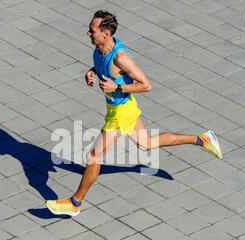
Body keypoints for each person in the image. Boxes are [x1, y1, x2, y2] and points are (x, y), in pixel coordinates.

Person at [46, 10, 222, 217]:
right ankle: (201, 139)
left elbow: (146, 85)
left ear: (105, 33)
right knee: (146, 144)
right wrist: (92, 71)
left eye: (92, 30)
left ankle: (75, 202)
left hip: (121, 112)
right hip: (120, 108)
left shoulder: (121, 58)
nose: (88, 33)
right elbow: (103, 66)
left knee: (94, 156)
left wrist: (117, 88)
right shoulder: (99, 49)